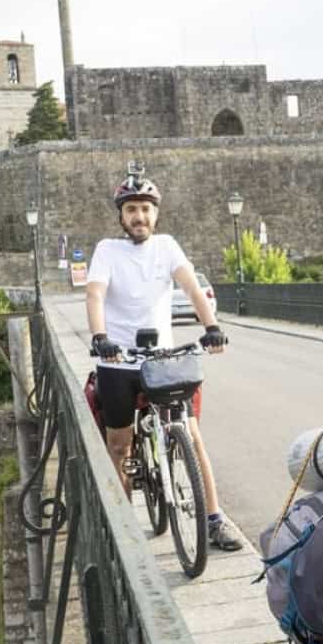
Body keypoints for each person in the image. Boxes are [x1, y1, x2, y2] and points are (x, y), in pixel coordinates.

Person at [86, 169, 243, 552]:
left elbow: (192, 287)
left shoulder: (167, 246)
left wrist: (212, 326)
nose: (139, 217)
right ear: (121, 216)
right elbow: (95, 294)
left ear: (155, 214)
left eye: (145, 209)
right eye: (131, 210)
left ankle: (214, 520)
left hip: (162, 362)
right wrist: (100, 337)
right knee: (120, 446)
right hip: (118, 361)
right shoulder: (107, 251)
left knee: (190, 434)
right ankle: (123, 528)